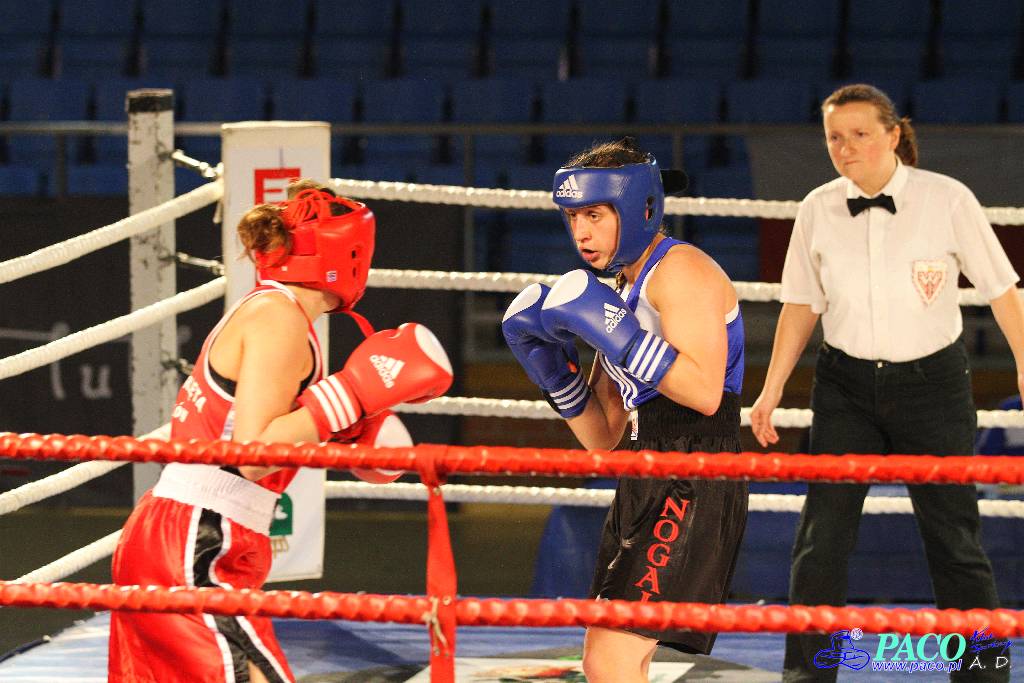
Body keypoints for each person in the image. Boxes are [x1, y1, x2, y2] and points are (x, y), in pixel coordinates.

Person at [108, 182, 454, 683]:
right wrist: (352, 394)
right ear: (348, 253)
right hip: (196, 540)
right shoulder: (278, 317)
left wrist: (346, 429)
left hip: (194, 535)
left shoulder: (275, 311)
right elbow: (253, 454)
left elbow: (261, 434)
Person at [749, 84, 1023, 682]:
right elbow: (801, 305)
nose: (845, 148)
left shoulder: (947, 199)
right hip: (845, 388)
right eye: (834, 137)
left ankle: (984, 678)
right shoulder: (817, 207)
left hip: (934, 386)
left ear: (894, 135)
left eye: (860, 134)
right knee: (821, 541)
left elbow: (1004, 293)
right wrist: (770, 390)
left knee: (955, 540)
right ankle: (807, 676)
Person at [502, 137, 748, 683]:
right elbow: (605, 435)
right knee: (615, 660)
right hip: (644, 468)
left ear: (638, 208)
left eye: (594, 214)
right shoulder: (617, 289)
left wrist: (621, 336)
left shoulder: (681, 271)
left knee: (610, 658)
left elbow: (705, 392)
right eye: (572, 217)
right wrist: (551, 372)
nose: (581, 233)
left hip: (694, 470)